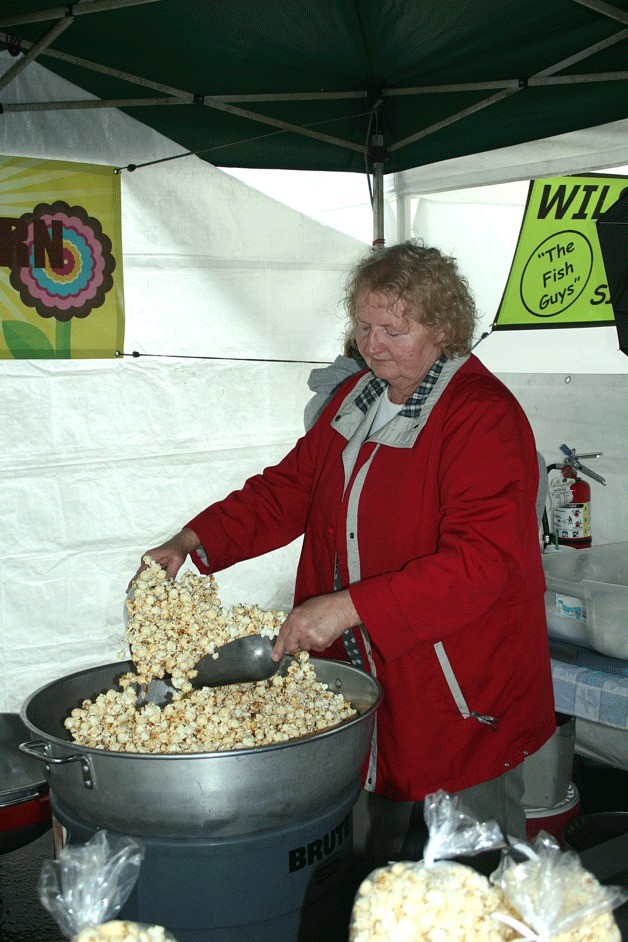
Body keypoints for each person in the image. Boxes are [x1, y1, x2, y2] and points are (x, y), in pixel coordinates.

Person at [135, 240, 556, 859]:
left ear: (441, 328)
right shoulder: (356, 399)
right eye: (363, 327)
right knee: (384, 844)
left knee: (472, 855)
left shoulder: (481, 417)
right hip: (371, 665)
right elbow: (289, 491)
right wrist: (196, 539)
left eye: (393, 328)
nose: (373, 343)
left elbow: (482, 564)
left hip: (458, 678)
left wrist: (346, 607)